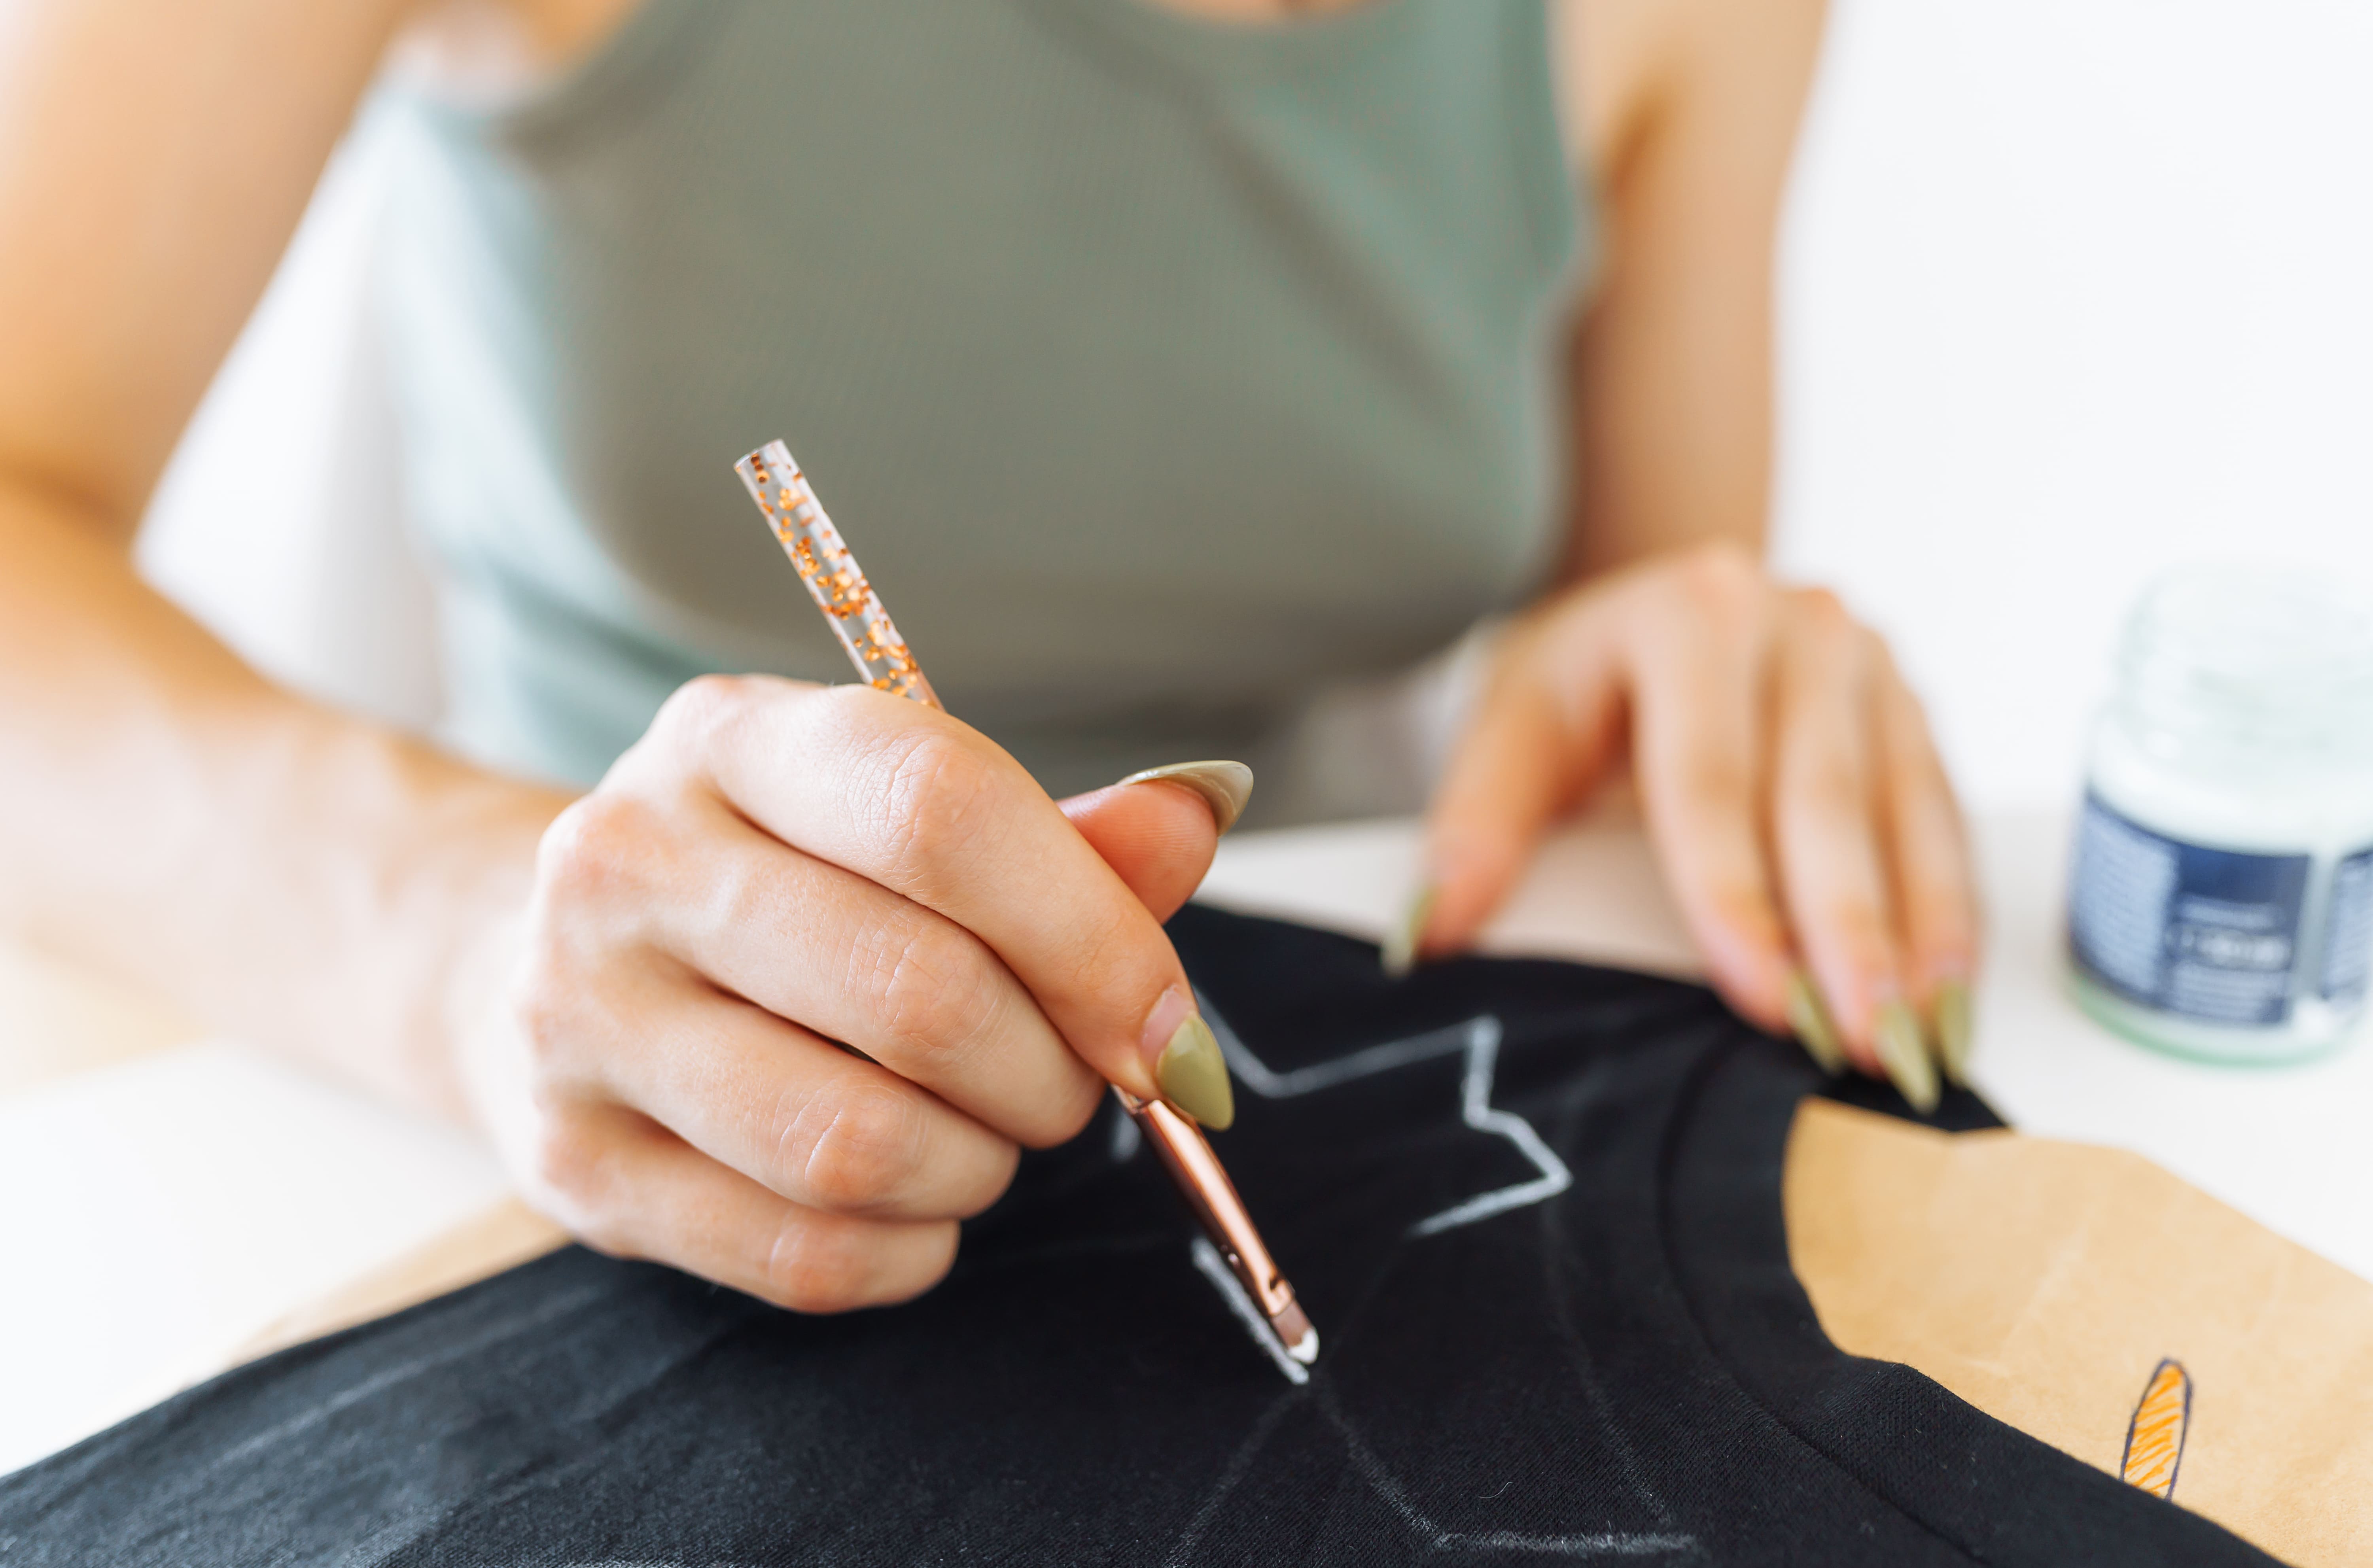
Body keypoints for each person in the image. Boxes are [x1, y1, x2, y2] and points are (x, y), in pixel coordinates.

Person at [0, 0, 1976, 1316]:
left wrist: (1659, 661)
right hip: (567, 1122)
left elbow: (1628, 606)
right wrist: (469, 944)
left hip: (1325, 1049)